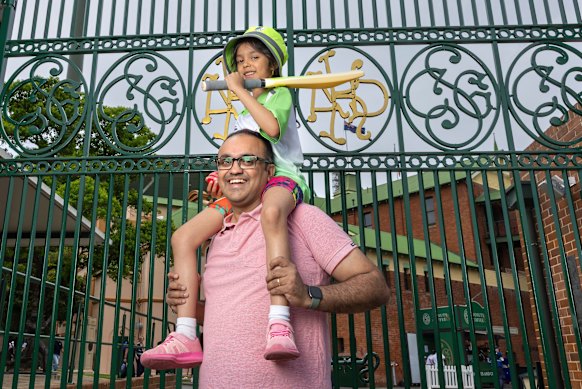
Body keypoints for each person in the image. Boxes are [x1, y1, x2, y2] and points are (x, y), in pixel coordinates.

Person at [164, 130, 389, 388]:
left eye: (247, 160)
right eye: (225, 161)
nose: (234, 169)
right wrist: (188, 304)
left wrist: (308, 295)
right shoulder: (216, 236)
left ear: (270, 172)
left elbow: (376, 287)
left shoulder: (303, 218)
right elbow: (231, 316)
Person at [141, 26, 311, 368]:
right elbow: (240, 154)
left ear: (273, 66)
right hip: (246, 188)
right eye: (239, 60)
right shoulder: (243, 110)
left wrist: (238, 91)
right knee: (183, 237)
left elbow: (272, 131)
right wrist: (221, 179)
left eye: (254, 57)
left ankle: (279, 321)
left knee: (272, 215)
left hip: (281, 179)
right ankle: (186, 333)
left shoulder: (279, 95)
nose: (245, 64)